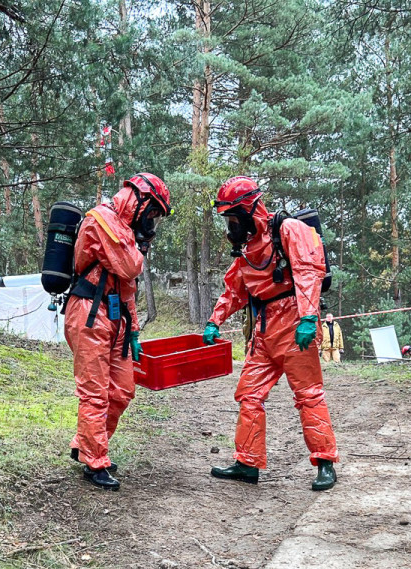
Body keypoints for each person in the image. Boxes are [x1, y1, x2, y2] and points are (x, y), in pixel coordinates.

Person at [201, 176, 338, 491]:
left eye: (233, 217)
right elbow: (235, 289)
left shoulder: (287, 230)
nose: (231, 224)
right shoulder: (248, 248)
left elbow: (308, 272)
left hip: (293, 323)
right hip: (263, 331)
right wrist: (214, 320)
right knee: (248, 395)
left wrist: (307, 317)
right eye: (228, 219)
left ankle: (325, 462)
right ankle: (247, 463)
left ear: (248, 210)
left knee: (308, 394)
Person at [65, 173, 171, 491]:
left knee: (123, 391)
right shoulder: (103, 219)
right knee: (95, 393)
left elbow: (127, 287)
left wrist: (134, 330)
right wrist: (143, 244)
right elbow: (130, 267)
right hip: (88, 312)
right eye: (152, 213)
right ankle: (94, 461)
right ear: (138, 199)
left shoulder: (125, 229)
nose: (151, 221)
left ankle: (86, 445)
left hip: (115, 316)